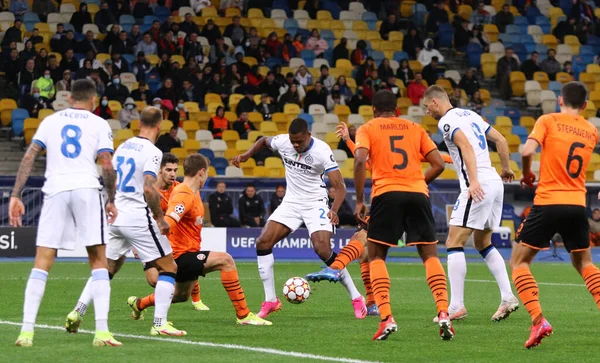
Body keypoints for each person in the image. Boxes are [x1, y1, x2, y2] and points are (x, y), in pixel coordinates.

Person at [10, 79, 119, 347]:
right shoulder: (99, 123)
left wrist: (15, 195)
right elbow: (106, 164)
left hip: (56, 190)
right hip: (86, 188)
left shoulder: (50, 121)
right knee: (98, 260)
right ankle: (102, 333)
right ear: (94, 101)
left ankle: (26, 332)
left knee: (42, 260)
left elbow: (29, 157)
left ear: (69, 98)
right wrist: (111, 199)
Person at [65, 106, 184, 338]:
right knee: (169, 267)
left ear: (139, 123)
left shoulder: (122, 147)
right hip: (138, 217)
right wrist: (160, 219)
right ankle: (159, 323)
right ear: (159, 126)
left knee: (107, 268)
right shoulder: (153, 151)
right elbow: (149, 187)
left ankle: (77, 311)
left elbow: (108, 174)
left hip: (116, 215)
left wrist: (111, 202)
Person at [231, 118, 366, 320]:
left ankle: (356, 297)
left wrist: (334, 210)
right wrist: (246, 155)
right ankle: (270, 301)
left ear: (308, 136)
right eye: (293, 141)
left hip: (315, 203)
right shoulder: (284, 142)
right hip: (291, 202)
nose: (295, 145)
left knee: (322, 249)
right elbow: (263, 140)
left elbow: (340, 187)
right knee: (262, 242)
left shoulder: (321, 150)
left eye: (299, 142)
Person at [345, 90, 451, 340]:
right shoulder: (415, 127)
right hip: (417, 193)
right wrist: (417, 183)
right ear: (397, 110)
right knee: (429, 254)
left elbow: (360, 160)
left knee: (377, 255)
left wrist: (360, 201)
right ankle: (444, 312)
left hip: (386, 193)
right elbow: (439, 163)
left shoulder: (368, 128)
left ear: (373, 109)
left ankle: (386, 318)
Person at [129, 154, 271, 326]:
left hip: (189, 251)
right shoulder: (183, 195)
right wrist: (144, 248)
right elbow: (167, 224)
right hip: (179, 255)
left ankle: (139, 304)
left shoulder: (191, 192)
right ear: (202, 172)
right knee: (225, 260)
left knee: (181, 296)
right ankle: (243, 315)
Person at [511, 81, 600, 348]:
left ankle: (539, 320)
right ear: (584, 106)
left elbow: (526, 151)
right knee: (584, 263)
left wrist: (527, 173)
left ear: (560, 101)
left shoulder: (548, 119)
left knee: (519, 262)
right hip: (576, 203)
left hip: (549, 201)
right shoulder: (591, 129)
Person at [422, 85, 519, 324]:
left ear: (435, 102)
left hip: (478, 185)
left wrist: (473, 182)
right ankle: (507, 297)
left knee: (453, 242)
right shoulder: (471, 115)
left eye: (427, 107)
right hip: (495, 182)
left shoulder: (446, 121)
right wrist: (506, 167)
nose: (427, 112)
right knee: (482, 241)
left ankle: (456, 306)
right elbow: (501, 139)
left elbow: (465, 146)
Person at [150, 152, 209, 311]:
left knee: (189, 261)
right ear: (160, 170)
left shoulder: (179, 188)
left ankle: (196, 300)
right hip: (155, 236)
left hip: (175, 236)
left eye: (175, 170)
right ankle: (142, 304)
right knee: (155, 281)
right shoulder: (151, 192)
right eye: (169, 170)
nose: (173, 174)